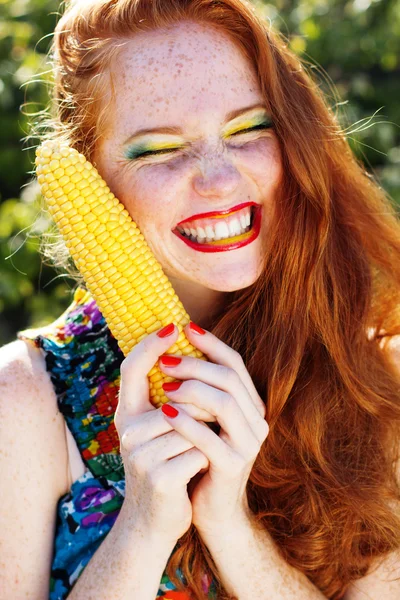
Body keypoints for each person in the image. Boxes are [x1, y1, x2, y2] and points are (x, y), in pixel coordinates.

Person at [1, 0, 400, 598]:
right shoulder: (25, 401)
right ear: (92, 179)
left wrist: (229, 525)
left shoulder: (373, 378)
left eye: (248, 128)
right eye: (159, 149)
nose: (219, 180)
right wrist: (144, 524)